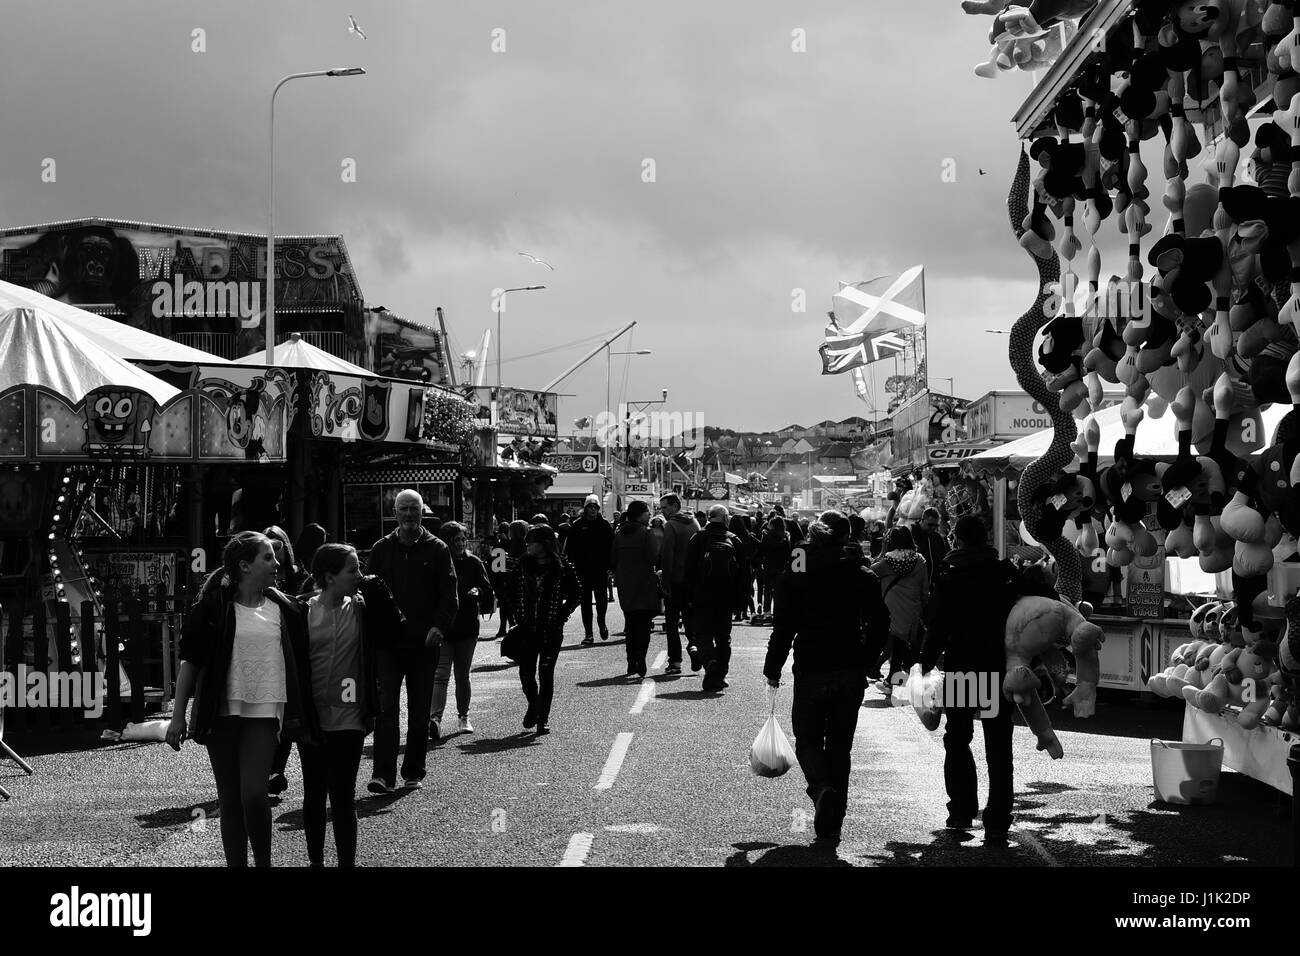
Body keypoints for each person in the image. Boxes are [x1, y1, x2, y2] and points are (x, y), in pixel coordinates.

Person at [166, 532, 317, 867]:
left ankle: (263, 863)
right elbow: (190, 661)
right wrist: (178, 716)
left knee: (253, 793)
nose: (277, 563)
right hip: (221, 712)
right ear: (245, 566)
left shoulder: (286, 608)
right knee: (230, 800)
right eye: (268, 557)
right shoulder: (214, 606)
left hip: (266, 709)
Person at [763, 511, 889, 844]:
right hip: (849, 669)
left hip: (811, 667)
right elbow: (880, 623)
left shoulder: (800, 568)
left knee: (807, 741)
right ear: (848, 536)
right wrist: (866, 661)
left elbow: (785, 624)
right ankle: (833, 822)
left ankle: (821, 790)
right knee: (839, 748)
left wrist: (772, 667)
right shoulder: (861, 574)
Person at [919, 515, 1017, 847]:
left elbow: (938, 624)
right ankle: (998, 820)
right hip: (996, 667)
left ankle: (961, 810)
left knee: (958, 738)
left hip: (962, 668)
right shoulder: (1003, 573)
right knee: (998, 745)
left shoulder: (950, 574)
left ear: (957, 540)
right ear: (985, 538)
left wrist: (925, 661)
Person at [365, 489, 458, 792]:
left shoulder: (438, 549)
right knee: (386, 710)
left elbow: (449, 595)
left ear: (421, 513)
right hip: (389, 645)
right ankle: (382, 775)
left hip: (424, 644)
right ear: (395, 512)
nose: (407, 514)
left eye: (413, 509)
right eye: (403, 509)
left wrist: (439, 627)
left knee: (419, 712)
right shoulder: (381, 549)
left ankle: (413, 771)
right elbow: (366, 592)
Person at [298, 543, 385, 868]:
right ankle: (316, 863)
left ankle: (346, 864)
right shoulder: (302, 610)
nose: (360, 575)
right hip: (313, 715)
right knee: (314, 793)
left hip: (350, 715)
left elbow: (397, 627)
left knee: (343, 796)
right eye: (353, 570)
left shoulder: (362, 607)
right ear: (329, 577)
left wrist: (379, 588)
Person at [505, 525, 580, 735]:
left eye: (533, 541)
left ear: (545, 544)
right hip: (527, 629)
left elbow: (576, 594)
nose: (527, 544)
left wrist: (561, 616)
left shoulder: (562, 565)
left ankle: (543, 718)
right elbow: (509, 591)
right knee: (526, 673)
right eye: (527, 541)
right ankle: (533, 705)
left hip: (551, 630)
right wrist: (517, 616)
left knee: (546, 674)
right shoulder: (522, 564)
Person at [431, 521, 493, 738]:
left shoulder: (474, 562)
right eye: (455, 540)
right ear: (445, 541)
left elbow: (487, 589)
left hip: (467, 626)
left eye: (462, 539)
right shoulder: (437, 562)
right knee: (440, 675)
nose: (460, 543)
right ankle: (435, 719)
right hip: (443, 627)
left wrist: (478, 591)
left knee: (462, 675)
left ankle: (463, 716)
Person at [683, 504, 743, 692]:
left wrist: (689, 596)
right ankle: (720, 674)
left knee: (703, 634)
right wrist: (740, 600)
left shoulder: (698, 538)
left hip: (702, 595)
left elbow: (689, 570)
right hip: (725, 596)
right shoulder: (734, 540)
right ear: (725, 519)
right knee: (724, 637)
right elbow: (743, 574)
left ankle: (710, 663)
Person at [870, 526, 930, 705]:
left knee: (894, 644)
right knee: (903, 645)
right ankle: (894, 679)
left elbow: (870, 572)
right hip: (912, 610)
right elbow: (924, 589)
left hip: (891, 609)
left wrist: (882, 550)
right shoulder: (919, 560)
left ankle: (891, 679)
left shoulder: (887, 562)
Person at [610, 500, 663, 678]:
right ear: (639, 515)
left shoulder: (619, 534)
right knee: (644, 624)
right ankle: (641, 657)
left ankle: (631, 661)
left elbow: (613, 559)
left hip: (626, 583)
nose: (649, 515)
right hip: (644, 583)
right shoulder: (646, 533)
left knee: (631, 623)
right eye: (646, 512)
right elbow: (652, 558)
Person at [657, 494, 701, 671]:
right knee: (691, 621)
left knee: (672, 622)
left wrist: (665, 582)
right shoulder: (694, 523)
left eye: (665, 507)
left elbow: (668, 556)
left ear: (675, 506)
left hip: (675, 581)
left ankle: (675, 661)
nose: (662, 511)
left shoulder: (671, 525)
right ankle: (694, 648)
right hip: (692, 582)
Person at [566, 494, 615, 645]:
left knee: (601, 600)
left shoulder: (605, 525)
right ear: (585, 509)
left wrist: (611, 566)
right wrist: (572, 564)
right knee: (585, 602)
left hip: (600, 569)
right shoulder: (577, 525)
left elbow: (611, 547)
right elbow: (570, 547)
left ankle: (602, 623)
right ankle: (588, 634)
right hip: (582, 570)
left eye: (595, 507)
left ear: (598, 509)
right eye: (590, 507)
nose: (592, 510)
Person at [492, 519, 529, 639]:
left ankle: (508, 627)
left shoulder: (515, 544)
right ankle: (506, 627)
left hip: (512, 581)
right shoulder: (522, 543)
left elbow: (500, 564)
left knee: (508, 605)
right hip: (511, 580)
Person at [755, 515, 791, 625]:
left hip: (768, 566)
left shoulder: (766, 535)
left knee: (767, 590)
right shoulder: (785, 536)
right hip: (781, 567)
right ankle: (777, 612)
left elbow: (762, 551)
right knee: (778, 591)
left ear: (773, 525)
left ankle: (767, 613)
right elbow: (788, 553)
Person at [728, 514, 758, 623]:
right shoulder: (748, 535)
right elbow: (758, 546)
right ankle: (747, 612)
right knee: (746, 590)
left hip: (732, 566)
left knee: (733, 589)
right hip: (746, 566)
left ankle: (735, 612)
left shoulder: (729, 535)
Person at [913, 507, 950, 586]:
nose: (933, 528)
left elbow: (944, 557)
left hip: (934, 582)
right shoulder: (912, 535)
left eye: (936, 525)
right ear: (922, 520)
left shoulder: (937, 537)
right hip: (917, 582)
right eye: (930, 525)